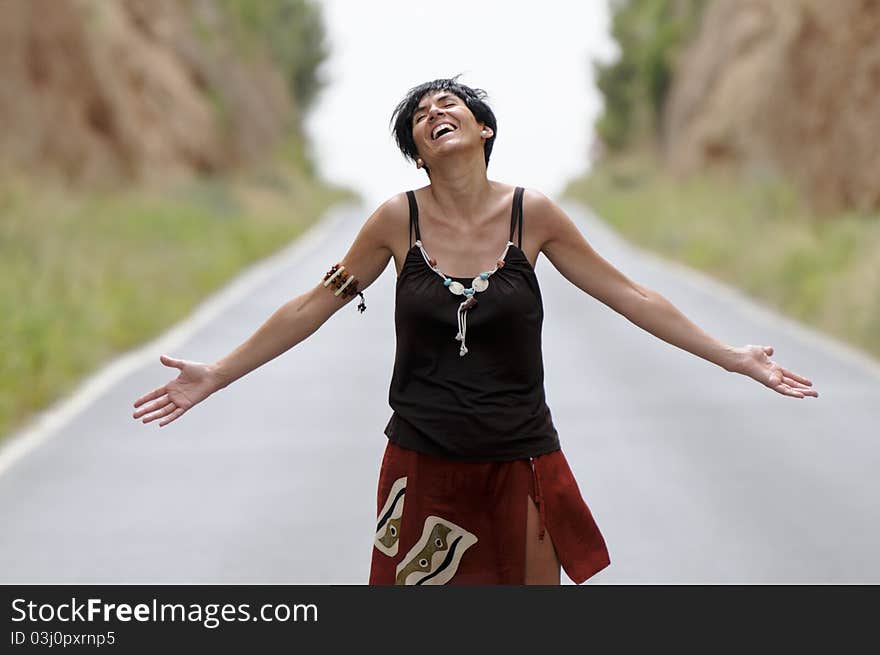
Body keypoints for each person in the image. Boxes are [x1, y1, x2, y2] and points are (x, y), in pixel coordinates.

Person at [132, 76, 819, 585]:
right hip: (422, 460)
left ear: (483, 130)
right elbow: (314, 304)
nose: (436, 114)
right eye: (422, 117)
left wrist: (731, 356)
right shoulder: (395, 223)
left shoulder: (535, 215)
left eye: (448, 104)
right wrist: (218, 372)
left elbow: (632, 295)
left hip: (521, 460)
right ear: (419, 154)